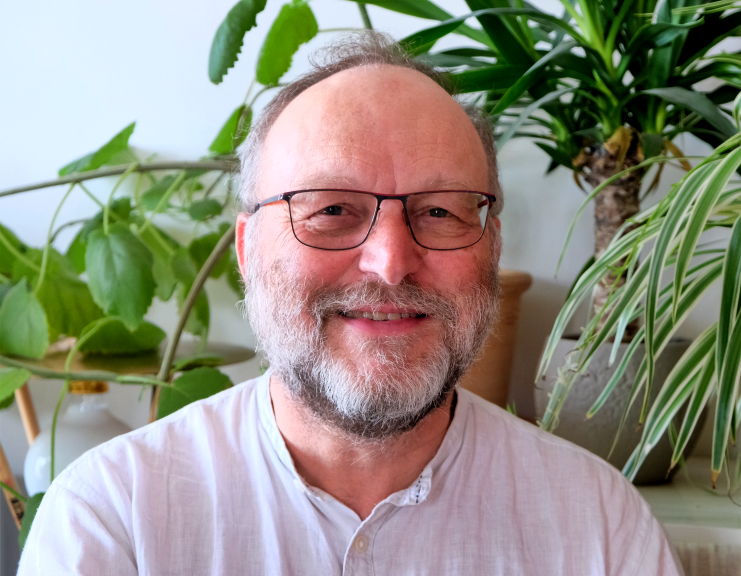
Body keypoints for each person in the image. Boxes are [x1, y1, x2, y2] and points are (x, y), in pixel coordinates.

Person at [19, 32, 682, 575]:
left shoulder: (599, 529)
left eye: (440, 211)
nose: (391, 262)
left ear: (492, 246)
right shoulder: (114, 522)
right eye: (332, 209)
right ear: (248, 249)